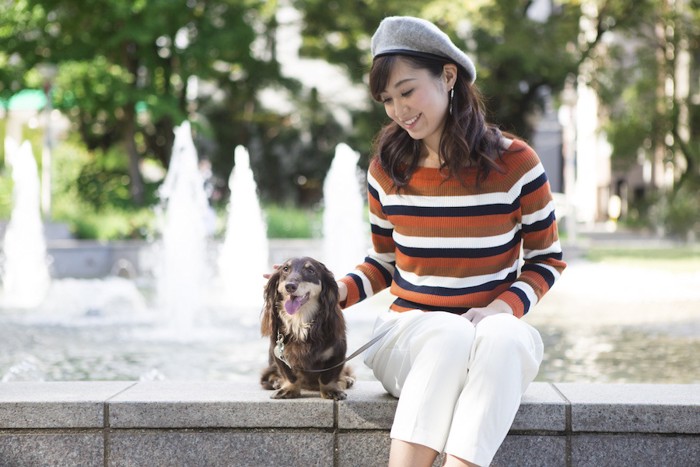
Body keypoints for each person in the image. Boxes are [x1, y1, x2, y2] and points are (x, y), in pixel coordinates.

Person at [335, 16, 567, 467]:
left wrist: (501, 308)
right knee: (448, 332)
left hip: (486, 340)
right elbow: (384, 262)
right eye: (387, 99)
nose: (399, 110)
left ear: (447, 76)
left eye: (407, 91)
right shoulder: (387, 168)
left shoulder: (516, 163)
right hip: (407, 339)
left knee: (507, 338)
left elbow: (546, 260)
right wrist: (329, 293)